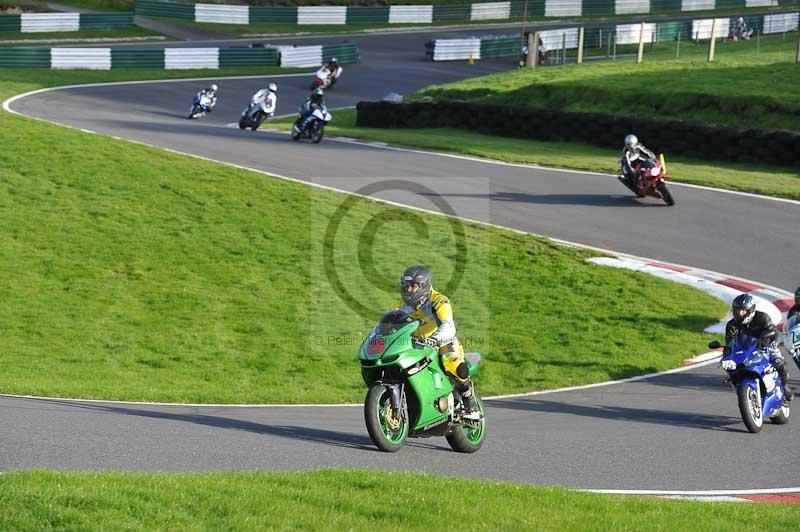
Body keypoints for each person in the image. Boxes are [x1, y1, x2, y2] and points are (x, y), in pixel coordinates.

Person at [392, 266, 480, 416]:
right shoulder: (398, 306)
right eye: (406, 286)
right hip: (414, 345)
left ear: (425, 285)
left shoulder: (439, 301)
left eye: (413, 286)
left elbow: (448, 326)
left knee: (451, 362)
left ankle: (469, 399)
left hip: (442, 342)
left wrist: (434, 339)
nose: (409, 290)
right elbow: (389, 327)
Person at [724, 294, 793, 401]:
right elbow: (729, 342)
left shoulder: (762, 317)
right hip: (745, 350)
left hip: (766, 345)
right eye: (736, 310)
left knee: (780, 363)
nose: (739, 314)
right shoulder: (731, 325)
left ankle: (785, 387)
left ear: (750, 310)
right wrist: (727, 354)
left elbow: (772, 330)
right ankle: (742, 392)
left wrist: (764, 339)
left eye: (742, 311)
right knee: (732, 369)